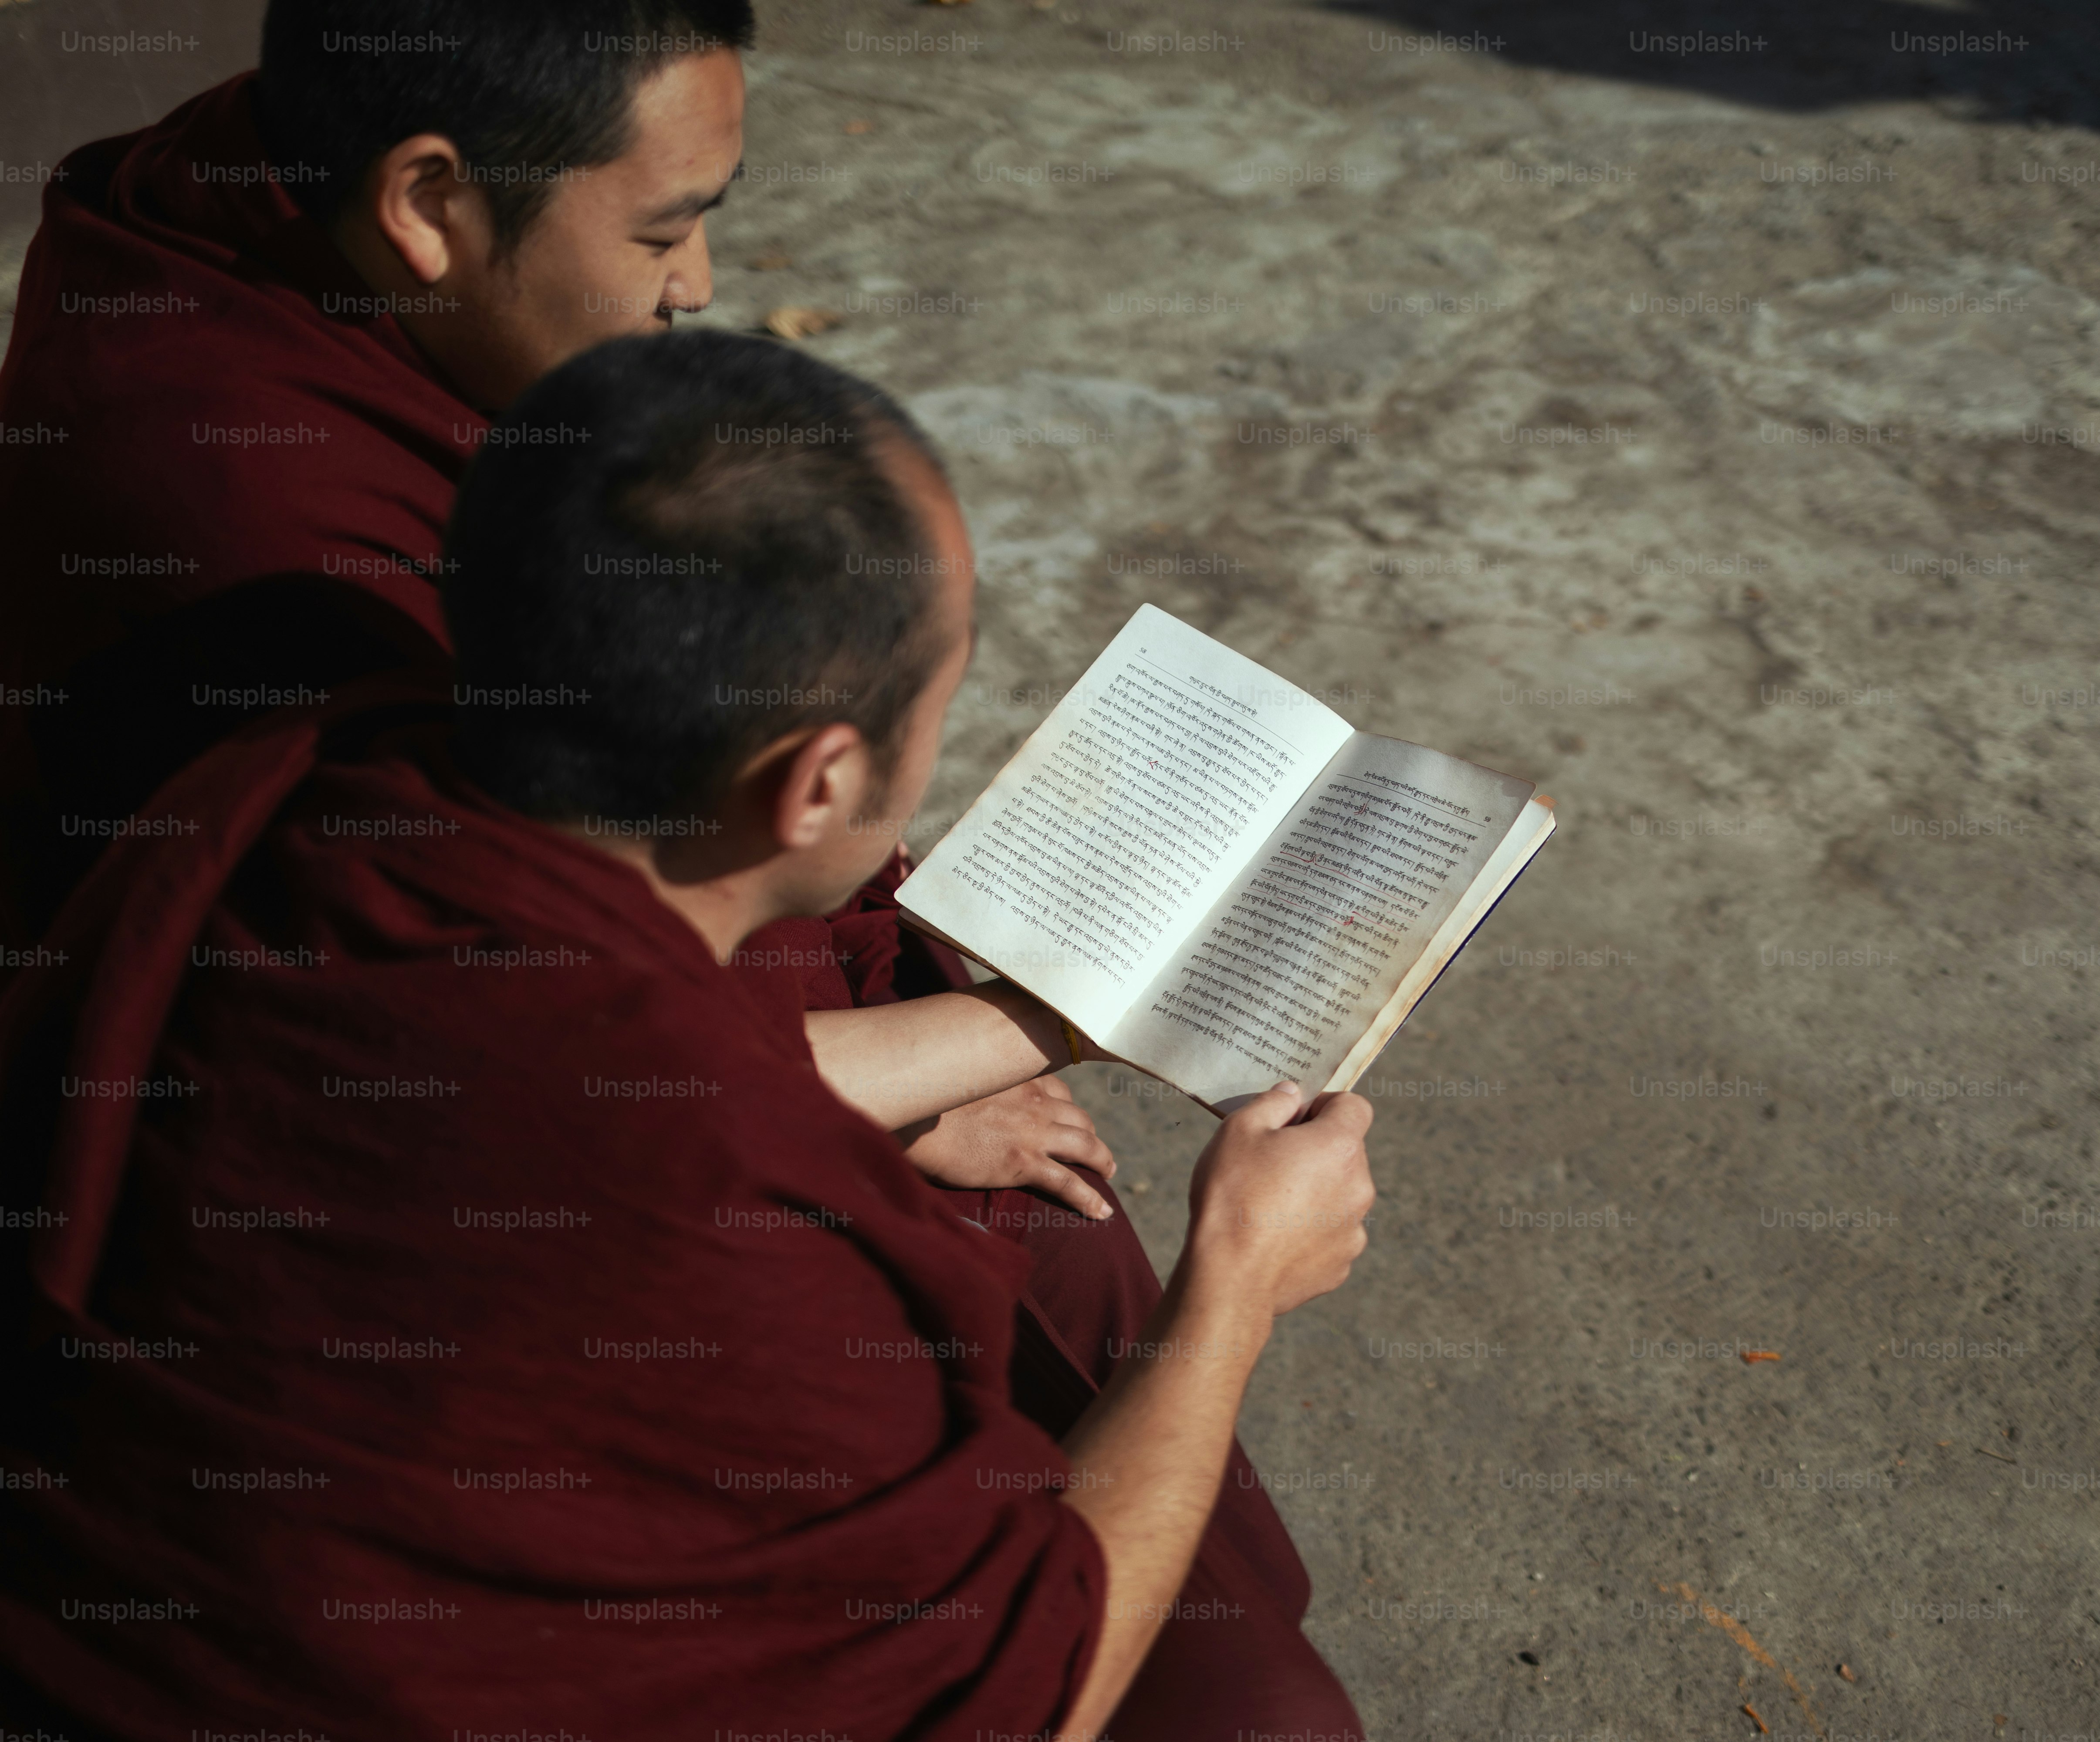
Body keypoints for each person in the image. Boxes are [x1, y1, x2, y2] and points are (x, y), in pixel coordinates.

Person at [0, 331, 1377, 1737]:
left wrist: (1041, 1017)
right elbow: (1009, 1702)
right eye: (938, 702)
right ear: (819, 782)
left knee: (1061, 1247)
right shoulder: (711, 1222)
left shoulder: (338, 807)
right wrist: (1234, 1289)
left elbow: (652, 1061)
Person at [0, 0, 1142, 1376]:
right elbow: (550, 1042)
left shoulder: (280, 168)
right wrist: (963, 1062)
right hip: (476, 1142)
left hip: (673, 958)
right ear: (428, 202)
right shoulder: (274, 553)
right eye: (659, 232)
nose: (698, 284)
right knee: (1026, 1271)